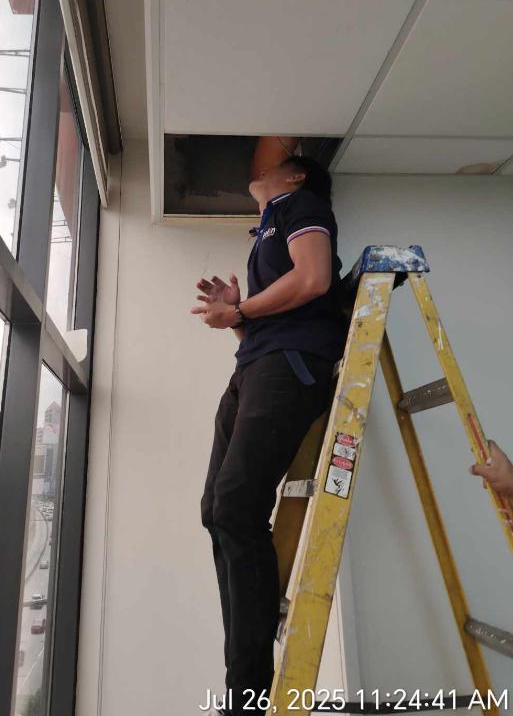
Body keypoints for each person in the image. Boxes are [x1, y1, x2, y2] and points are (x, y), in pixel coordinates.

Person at [191, 155, 348, 716]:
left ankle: (248, 693)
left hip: (288, 365)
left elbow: (313, 278)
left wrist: (240, 310)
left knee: (236, 507)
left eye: (274, 164)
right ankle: (246, 679)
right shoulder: (267, 231)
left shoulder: (300, 205)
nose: (259, 169)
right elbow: (267, 314)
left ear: (297, 176)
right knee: (216, 510)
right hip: (256, 366)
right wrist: (237, 317)